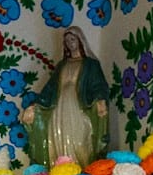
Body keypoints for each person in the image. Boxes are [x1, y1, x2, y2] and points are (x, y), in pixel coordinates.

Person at [23, 27, 110, 166]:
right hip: (60, 105)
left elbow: (99, 84)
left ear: (80, 40)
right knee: (58, 136)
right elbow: (49, 89)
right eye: (67, 41)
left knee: (81, 139)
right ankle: (60, 170)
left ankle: (81, 172)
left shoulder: (91, 64)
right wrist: (34, 106)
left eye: (72, 39)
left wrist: (100, 99)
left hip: (79, 105)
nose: (70, 43)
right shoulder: (61, 65)